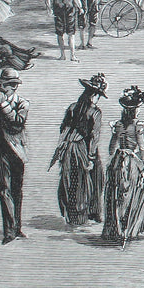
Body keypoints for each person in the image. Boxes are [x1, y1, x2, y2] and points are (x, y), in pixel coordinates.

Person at [50, 74, 106, 226]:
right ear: (93, 95)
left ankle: (73, 214)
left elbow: (63, 128)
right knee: (91, 178)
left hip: (69, 147)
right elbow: (94, 136)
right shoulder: (95, 112)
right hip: (83, 148)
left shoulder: (73, 107)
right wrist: (91, 157)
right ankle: (88, 213)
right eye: (98, 96)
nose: (98, 99)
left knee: (70, 179)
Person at [0, 67, 29, 244]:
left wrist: (5, 106)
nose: (1, 90)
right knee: (4, 191)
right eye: (1, 86)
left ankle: (17, 228)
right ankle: (9, 231)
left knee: (17, 191)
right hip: (0, 153)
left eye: (4, 87)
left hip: (17, 153)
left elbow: (17, 124)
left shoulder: (23, 104)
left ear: (13, 87)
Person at [102, 85, 144, 246]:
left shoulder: (118, 125)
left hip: (118, 160)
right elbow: (142, 148)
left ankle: (115, 229)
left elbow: (111, 148)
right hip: (132, 162)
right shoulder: (138, 127)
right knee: (135, 194)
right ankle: (128, 229)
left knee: (116, 194)